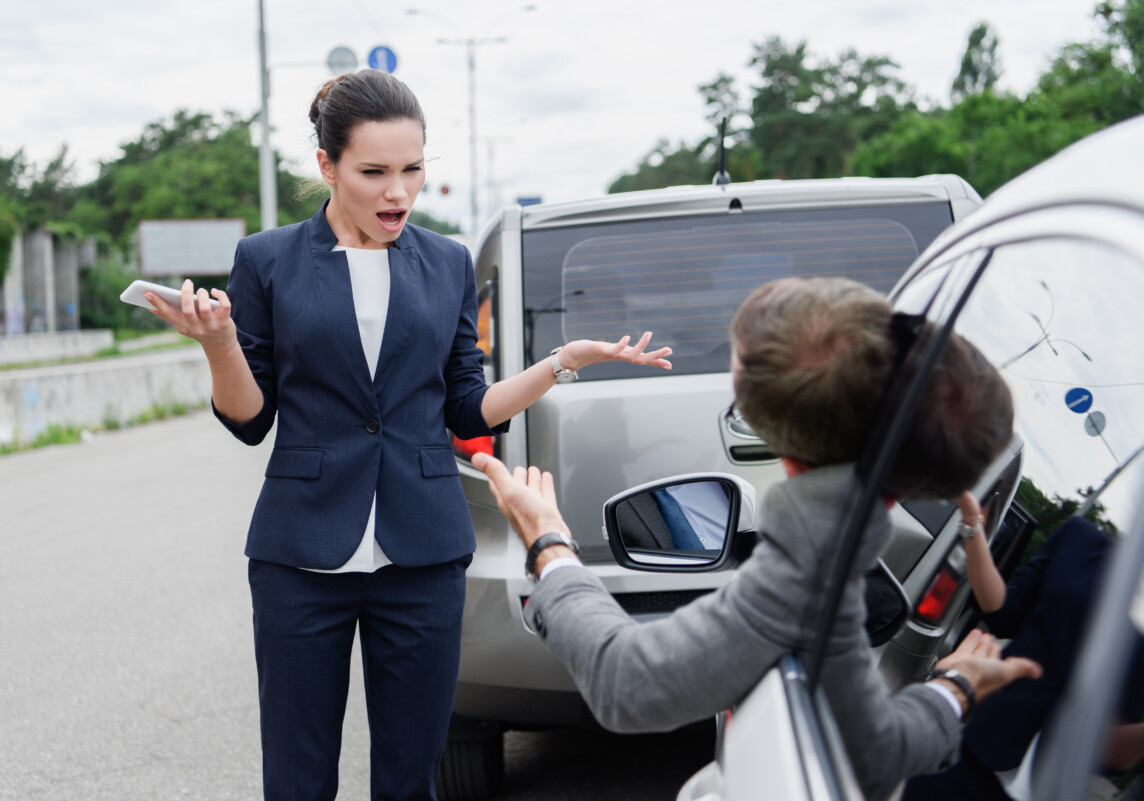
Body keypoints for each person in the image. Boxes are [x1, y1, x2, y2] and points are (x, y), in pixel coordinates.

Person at [143, 69, 672, 801]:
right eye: (374, 172)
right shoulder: (267, 261)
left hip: (422, 554)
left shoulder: (448, 261)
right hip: (301, 557)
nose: (398, 192)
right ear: (327, 168)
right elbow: (250, 419)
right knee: (296, 783)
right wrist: (220, 343)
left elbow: (464, 407)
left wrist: (559, 363)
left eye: (413, 170)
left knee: (410, 781)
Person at [471, 277, 1042, 801]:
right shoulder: (838, 547)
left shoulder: (806, 564)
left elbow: (628, 683)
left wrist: (547, 542)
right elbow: (872, 749)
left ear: (762, 425)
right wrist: (955, 690)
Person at [901, 502, 1144, 800]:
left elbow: (1116, 755)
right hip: (972, 745)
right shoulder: (1080, 540)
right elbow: (1005, 613)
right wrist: (974, 531)